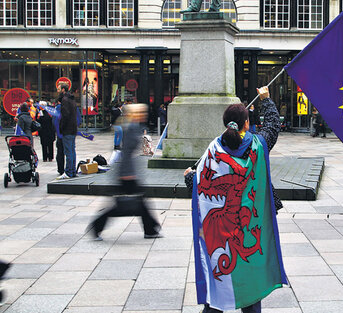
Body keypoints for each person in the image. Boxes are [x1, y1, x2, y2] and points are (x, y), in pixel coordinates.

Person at [183, 86, 287, 313]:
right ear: (246, 124)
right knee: (250, 280)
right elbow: (272, 127)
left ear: (226, 124)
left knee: (220, 281)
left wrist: (189, 177)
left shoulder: (214, 149)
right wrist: (266, 100)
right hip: (249, 227)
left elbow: (201, 184)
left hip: (221, 231)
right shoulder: (259, 144)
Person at [88, 104, 162, 240]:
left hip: (129, 170)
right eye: (141, 112)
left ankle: (150, 229)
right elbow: (127, 152)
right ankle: (97, 226)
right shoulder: (131, 127)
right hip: (127, 172)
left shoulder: (134, 126)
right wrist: (128, 173)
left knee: (138, 201)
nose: (144, 114)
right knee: (122, 205)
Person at [57, 84, 77, 179]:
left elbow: (65, 115)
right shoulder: (71, 99)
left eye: (59, 89)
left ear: (63, 90)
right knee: (72, 150)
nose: (58, 90)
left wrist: (61, 127)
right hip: (73, 128)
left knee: (68, 151)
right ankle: (72, 171)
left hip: (67, 129)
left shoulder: (64, 100)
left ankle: (68, 172)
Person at [52, 100, 65, 176]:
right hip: (69, 133)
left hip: (60, 133)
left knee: (60, 151)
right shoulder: (72, 107)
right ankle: (71, 169)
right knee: (70, 152)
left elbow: (54, 122)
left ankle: (61, 169)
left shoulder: (57, 109)